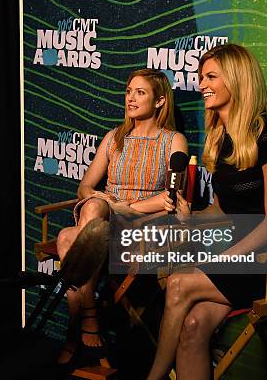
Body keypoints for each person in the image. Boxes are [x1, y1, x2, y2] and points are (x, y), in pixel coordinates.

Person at [146, 43, 267, 380]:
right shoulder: (223, 137)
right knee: (194, 326)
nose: (201, 85)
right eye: (201, 77)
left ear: (237, 80)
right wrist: (192, 217)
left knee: (179, 285)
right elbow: (222, 209)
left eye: (211, 76)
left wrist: (225, 258)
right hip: (238, 258)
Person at [55, 69, 187, 368]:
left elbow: (171, 197)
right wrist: (105, 200)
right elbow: (85, 187)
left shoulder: (173, 140)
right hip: (105, 217)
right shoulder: (115, 137)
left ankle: (75, 331)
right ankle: (89, 313)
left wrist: (125, 205)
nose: (131, 98)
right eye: (129, 91)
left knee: (66, 238)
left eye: (140, 92)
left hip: (142, 225)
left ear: (159, 100)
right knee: (92, 209)